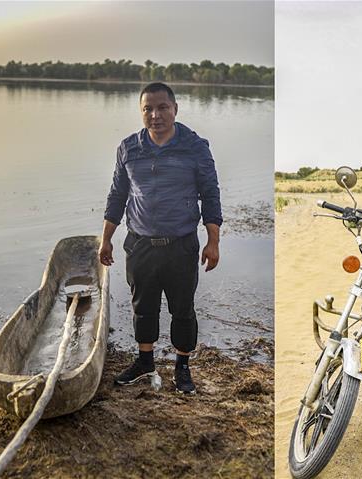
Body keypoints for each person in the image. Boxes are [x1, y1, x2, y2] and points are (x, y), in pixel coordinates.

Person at [100, 82, 222, 395]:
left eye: (162, 108)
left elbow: (209, 194)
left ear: (175, 109)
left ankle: (182, 367)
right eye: (148, 109)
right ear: (141, 112)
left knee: (182, 309)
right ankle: (145, 362)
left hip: (181, 244)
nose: (155, 115)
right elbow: (117, 195)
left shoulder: (195, 146)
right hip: (140, 244)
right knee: (143, 305)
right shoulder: (129, 147)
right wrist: (107, 238)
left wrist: (213, 241)